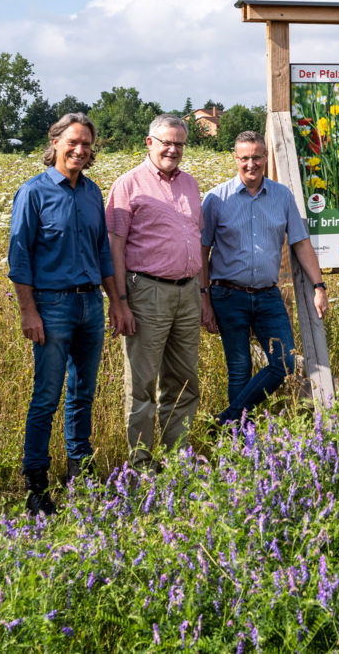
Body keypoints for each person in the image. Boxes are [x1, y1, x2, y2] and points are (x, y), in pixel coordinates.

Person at [8, 113, 129, 515]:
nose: (80, 150)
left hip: (90, 304)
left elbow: (101, 253)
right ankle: (36, 486)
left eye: (87, 144)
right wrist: (29, 311)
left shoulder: (93, 193)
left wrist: (114, 301)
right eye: (73, 142)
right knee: (46, 396)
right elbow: (19, 257)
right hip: (52, 305)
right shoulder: (34, 193)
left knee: (83, 393)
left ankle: (82, 477)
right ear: (56, 142)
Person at [200, 130, 329, 425]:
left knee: (283, 362)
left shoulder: (282, 196)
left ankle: (227, 422)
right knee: (239, 368)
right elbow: (201, 251)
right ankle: (240, 441)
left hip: (268, 295)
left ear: (265, 158)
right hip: (228, 295)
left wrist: (319, 285)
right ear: (235, 158)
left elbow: (300, 242)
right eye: (244, 158)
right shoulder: (216, 199)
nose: (251, 164)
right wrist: (203, 298)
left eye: (257, 157)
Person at [106, 115, 208, 471]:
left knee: (184, 380)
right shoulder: (128, 185)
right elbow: (114, 246)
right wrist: (119, 301)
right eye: (166, 142)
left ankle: (178, 454)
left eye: (179, 143)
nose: (173, 149)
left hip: (187, 292)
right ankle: (141, 463)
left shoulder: (191, 186)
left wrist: (203, 293)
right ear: (149, 142)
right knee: (143, 383)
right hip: (146, 291)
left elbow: (198, 240)